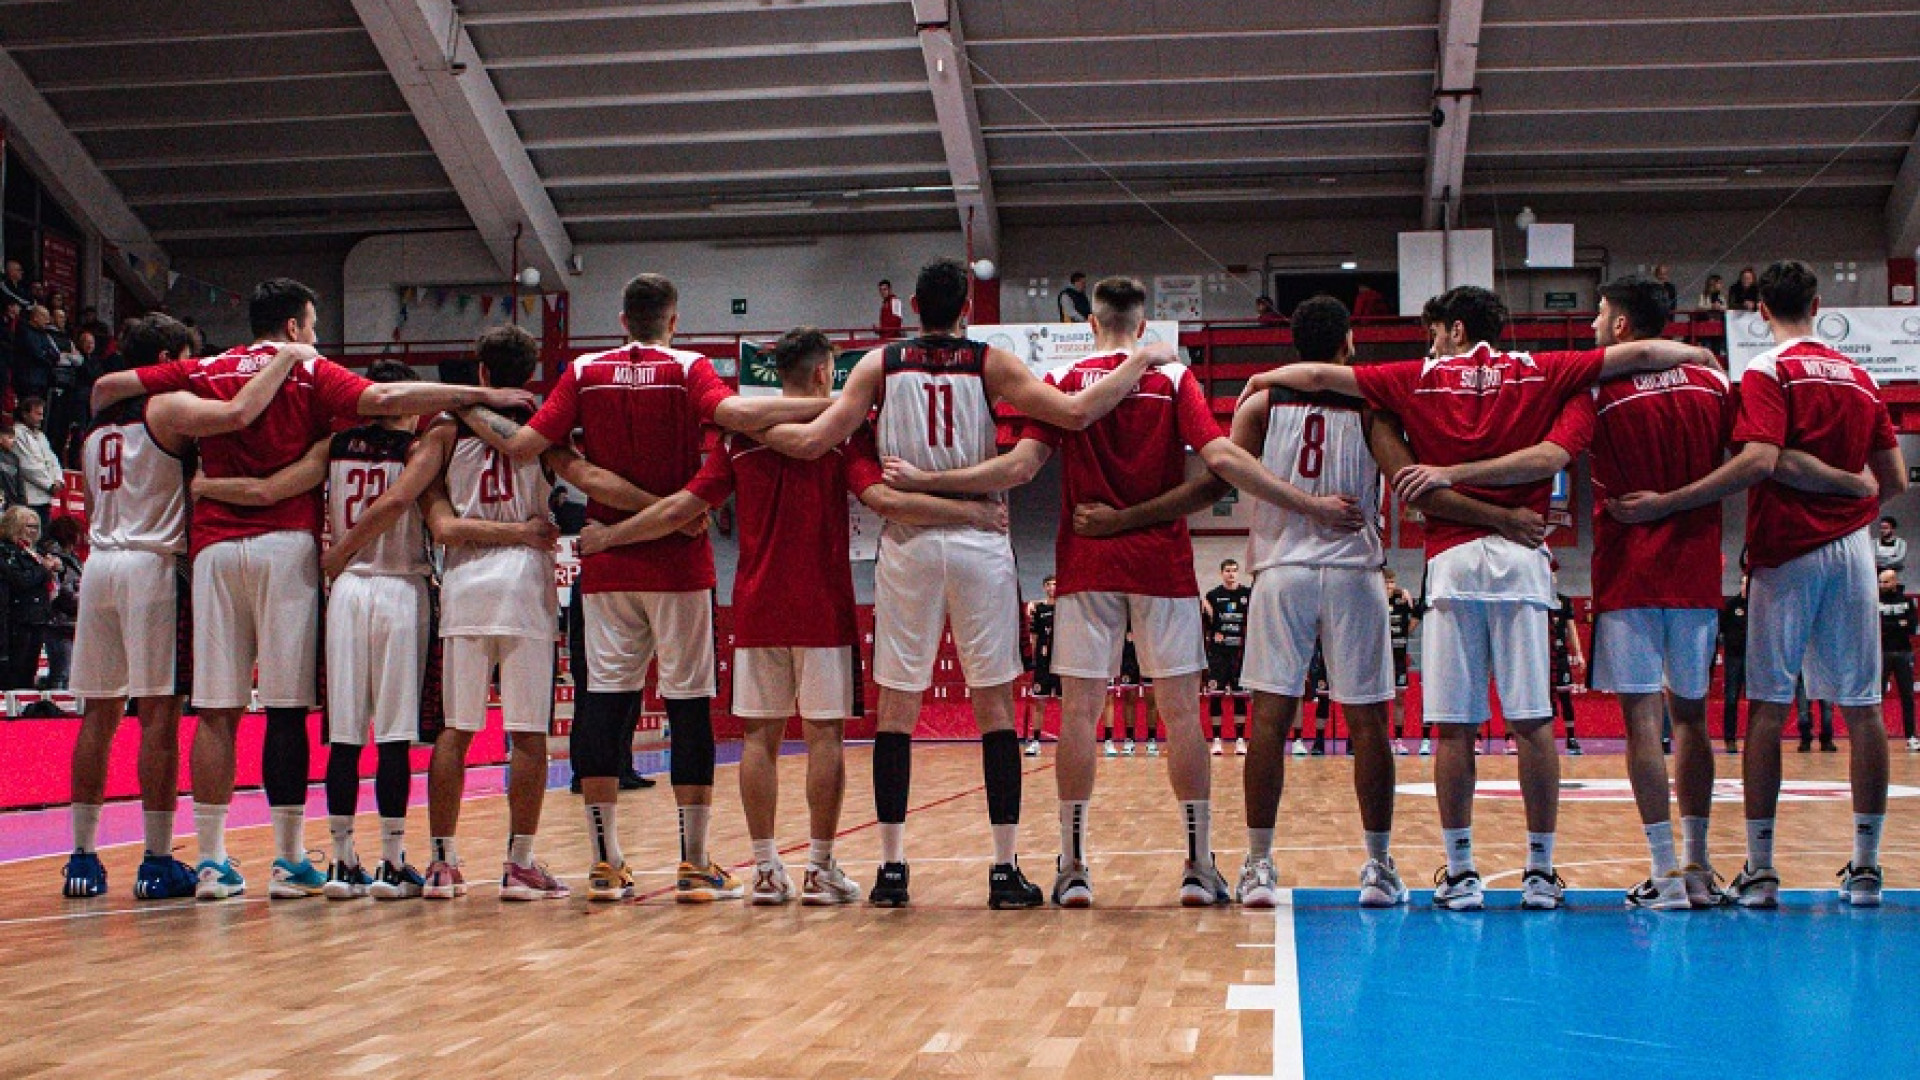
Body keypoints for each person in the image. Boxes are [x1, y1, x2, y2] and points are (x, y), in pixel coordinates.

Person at [885, 275, 1345, 908]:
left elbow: (1020, 467)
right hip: (1161, 562)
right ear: (1143, 323)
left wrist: (928, 482)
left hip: (1087, 559)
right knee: (1181, 716)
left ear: (1092, 323)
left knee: (1079, 715)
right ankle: (1197, 865)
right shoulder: (1172, 376)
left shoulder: (1064, 380)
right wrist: (1306, 502)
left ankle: (1073, 867)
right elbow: (1222, 461)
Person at [1250, 284, 1713, 911]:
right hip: (1523, 563)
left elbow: (1317, 377)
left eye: (1435, 332)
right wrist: (1695, 354)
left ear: (1457, 330)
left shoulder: (1418, 377)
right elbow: (1636, 358)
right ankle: (1540, 873)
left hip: (1448, 563)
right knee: (1535, 725)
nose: (1430, 344)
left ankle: (1462, 873)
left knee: (1454, 731)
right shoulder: (1543, 369)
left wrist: (1265, 377)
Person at [89, 278, 539, 902]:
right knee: (291, 713)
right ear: (295, 328)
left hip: (217, 549)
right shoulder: (314, 375)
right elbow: (384, 402)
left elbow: (111, 387)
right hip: (298, 551)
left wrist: (208, 485)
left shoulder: (208, 368)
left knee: (218, 714)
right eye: (314, 325)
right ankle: (295, 858)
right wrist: (477, 393)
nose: (317, 337)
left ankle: (214, 860)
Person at [761, 260, 1159, 909]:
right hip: (979, 541)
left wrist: (733, 419)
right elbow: (1075, 412)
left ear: (915, 306)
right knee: (995, 709)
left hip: (908, 545)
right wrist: (1139, 359)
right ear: (967, 308)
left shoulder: (879, 364)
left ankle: (892, 870)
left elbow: (811, 441)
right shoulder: (989, 362)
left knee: (897, 711)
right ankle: (1003, 870)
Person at [584, 326, 1009, 906]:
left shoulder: (738, 441)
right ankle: (819, 868)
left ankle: (764, 869)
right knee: (823, 737)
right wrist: (970, 512)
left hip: (757, 606)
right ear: (822, 374)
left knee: (759, 739)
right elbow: (884, 499)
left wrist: (611, 536)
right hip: (822, 606)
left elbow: (682, 507)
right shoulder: (843, 437)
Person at [454, 274, 838, 904]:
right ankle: (694, 863)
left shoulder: (583, 372)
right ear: (673, 320)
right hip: (679, 564)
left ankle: (605, 864)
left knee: (602, 708)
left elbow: (524, 447)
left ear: (622, 319)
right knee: (688, 707)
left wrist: (466, 405)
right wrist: (834, 405)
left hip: (607, 566)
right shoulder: (688, 369)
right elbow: (738, 416)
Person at [1609, 259, 1906, 908]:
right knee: (1863, 710)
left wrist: (1669, 502)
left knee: (1769, 708)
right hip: (1854, 553)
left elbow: (1761, 460)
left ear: (1760, 310)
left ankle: (1763, 870)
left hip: (1788, 551)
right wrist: (1849, 487)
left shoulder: (1767, 371)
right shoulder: (1861, 377)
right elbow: (1892, 480)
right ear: (1818, 305)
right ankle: (1866, 867)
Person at [60, 314, 305, 900]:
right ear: (169, 359)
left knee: (97, 716)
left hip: (100, 564)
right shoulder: (166, 407)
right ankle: (157, 858)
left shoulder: (96, 421)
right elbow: (239, 414)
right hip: (152, 565)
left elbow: (90, 501)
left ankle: (82, 858)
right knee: (158, 719)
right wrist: (285, 357)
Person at [421, 326, 643, 902]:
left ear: (481, 370)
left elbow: (437, 521)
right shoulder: (544, 431)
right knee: (527, 737)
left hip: (466, 586)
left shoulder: (445, 427)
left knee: (454, 732)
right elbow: (589, 478)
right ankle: (519, 863)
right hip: (524, 587)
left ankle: (441, 862)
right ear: (530, 372)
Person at [1569, 275, 1737, 909]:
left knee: (1642, 723)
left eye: (1598, 315)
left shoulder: (1599, 387)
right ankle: (1698, 865)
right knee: (1692, 720)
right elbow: (1748, 461)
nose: (1592, 326)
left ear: (1620, 325)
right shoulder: (1713, 382)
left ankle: (1664, 873)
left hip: (1630, 570)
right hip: (1696, 570)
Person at [315, 362, 441, 901]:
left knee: (345, 736)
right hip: (397, 588)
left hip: (346, 592)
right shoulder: (416, 450)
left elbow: (283, 484)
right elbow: (396, 503)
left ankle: (341, 861)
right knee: (393, 735)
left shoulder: (333, 447)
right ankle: (392, 861)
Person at [0, 505, 55, 690]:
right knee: (15, 672)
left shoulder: (34, 552)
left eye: (36, 527)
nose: (33, 531)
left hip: (37, 618)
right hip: (16, 620)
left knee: (28, 672)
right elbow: (20, 580)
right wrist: (43, 569)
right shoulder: (6, 552)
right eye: (28, 526)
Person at [1203, 559, 1251, 755]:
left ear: (1238, 573)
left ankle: (1240, 739)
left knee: (1240, 697)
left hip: (1240, 655)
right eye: (1227, 571)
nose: (1231, 574)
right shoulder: (1213, 595)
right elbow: (1207, 624)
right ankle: (1216, 740)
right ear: (1221, 573)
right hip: (1218, 655)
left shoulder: (1247, 594)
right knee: (1216, 696)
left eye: (1234, 571)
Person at [1384, 569, 1425, 755]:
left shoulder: (1402, 599)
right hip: (1381, 658)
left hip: (1399, 656)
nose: (1389, 586)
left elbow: (1418, 613)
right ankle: (1381, 740)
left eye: (1392, 582)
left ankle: (1398, 740)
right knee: (1380, 700)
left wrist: (1406, 632)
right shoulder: (1375, 600)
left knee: (1399, 698)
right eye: (1386, 582)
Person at [39, 515, 82, 693]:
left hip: (68, 622)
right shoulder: (56, 559)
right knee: (62, 672)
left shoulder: (72, 558)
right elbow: (61, 590)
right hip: (59, 622)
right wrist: (80, 600)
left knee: (68, 671)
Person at [1879, 569, 1918, 753]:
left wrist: (1890, 625)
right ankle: (1876, 737)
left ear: (1894, 581)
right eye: (1880, 582)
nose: (1882, 585)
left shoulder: (1907, 601)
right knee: (1877, 697)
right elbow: (1877, 626)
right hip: (1882, 653)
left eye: (1886, 582)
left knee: (1907, 696)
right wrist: (1898, 624)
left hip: (1904, 653)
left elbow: (1911, 626)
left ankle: (1911, 737)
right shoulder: (1876, 601)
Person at [1023, 575, 1060, 756]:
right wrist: (1034, 658)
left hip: (1061, 662)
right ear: (1044, 587)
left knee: (1066, 703)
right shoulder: (1039, 609)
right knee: (1039, 701)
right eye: (1049, 584)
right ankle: (1036, 741)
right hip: (1043, 663)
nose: (1052, 587)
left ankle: (1068, 740)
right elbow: (1034, 636)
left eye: (1055, 584)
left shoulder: (1065, 608)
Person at [13, 397, 63, 528]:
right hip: (28, 499)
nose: (41, 418)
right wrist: (50, 485)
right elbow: (27, 465)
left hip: (45, 499)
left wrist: (58, 479)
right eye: (37, 414)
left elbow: (53, 460)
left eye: (42, 414)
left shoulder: (41, 436)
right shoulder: (17, 433)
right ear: (25, 414)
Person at [1548, 588, 1585, 755]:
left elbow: (1572, 629)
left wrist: (1579, 654)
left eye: (1555, 575)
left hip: (1561, 656)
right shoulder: (1540, 599)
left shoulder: (1564, 601)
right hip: (1543, 658)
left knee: (1565, 698)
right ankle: (1546, 739)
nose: (1552, 577)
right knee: (1546, 700)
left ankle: (1571, 738)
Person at [1721, 578, 1749, 754]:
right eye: (1745, 583)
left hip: (1753, 658)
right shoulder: (1731, 605)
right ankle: (1730, 738)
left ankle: (1754, 738)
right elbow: (1722, 629)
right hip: (1734, 658)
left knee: (1757, 700)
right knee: (1731, 698)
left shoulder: (1758, 606)